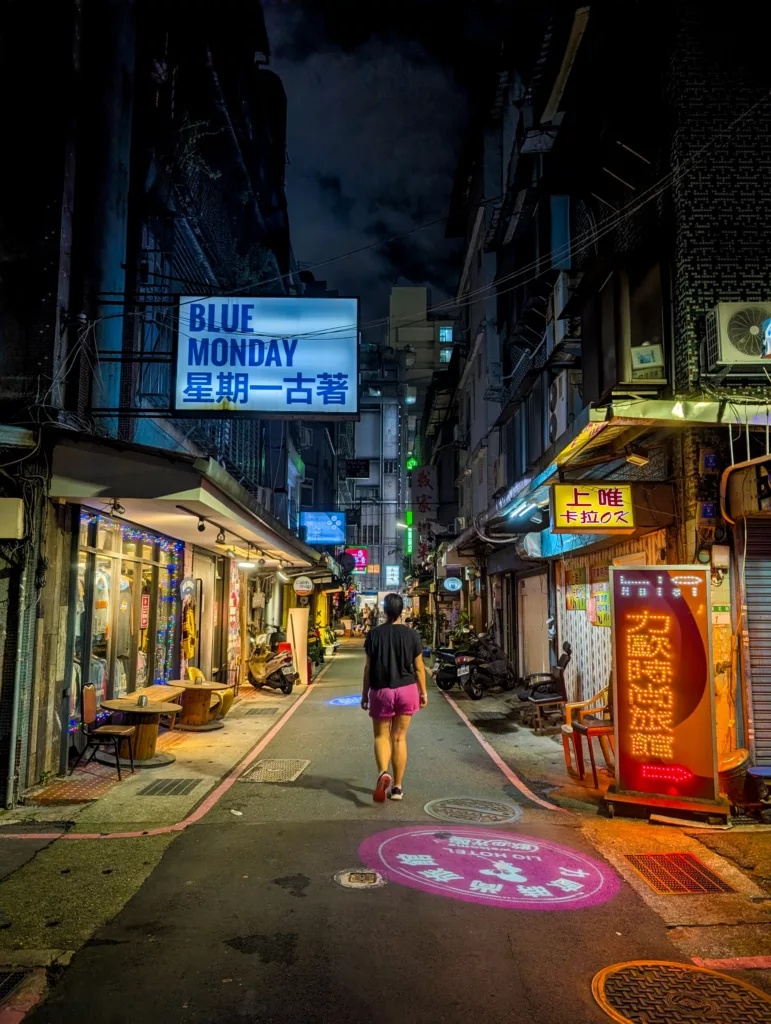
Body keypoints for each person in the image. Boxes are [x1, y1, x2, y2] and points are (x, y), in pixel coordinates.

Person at [361, 592, 427, 802]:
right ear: (402, 611)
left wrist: (364, 693)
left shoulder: (374, 634)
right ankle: (397, 788)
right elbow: (419, 668)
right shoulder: (412, 635)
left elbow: (368, 668)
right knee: (399, 738)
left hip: (381, 690)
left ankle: (383, 773)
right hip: (407, 689)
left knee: (381, 736)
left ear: (384, 611)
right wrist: (423, 692)